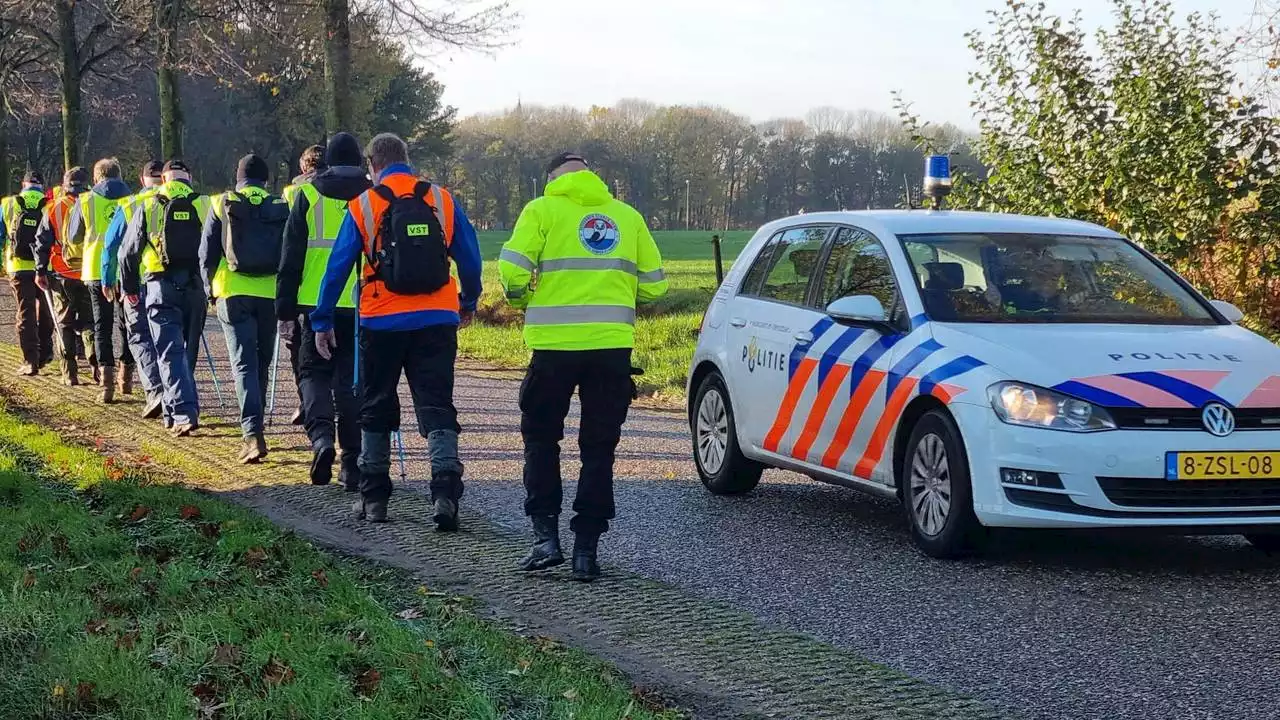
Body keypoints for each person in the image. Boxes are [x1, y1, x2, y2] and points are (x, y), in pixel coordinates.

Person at [499, 151, 668, 582]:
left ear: (553, 177)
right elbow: (655, 285)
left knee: (541, 440)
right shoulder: (626, 216)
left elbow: (512, 271)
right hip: (611, 350)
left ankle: (545, 540)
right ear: (593, 176)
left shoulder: (541, 210)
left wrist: (522, 300)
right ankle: (586, 553)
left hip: (553, 350)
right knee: (598, 449)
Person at [311, 132, 482, 527]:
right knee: (437, 403)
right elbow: (470, 261)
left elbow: (336, 270)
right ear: (407, 159)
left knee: (375, 405)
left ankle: (374, 500)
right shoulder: (442, 200)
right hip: (437, 319)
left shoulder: (363, 205)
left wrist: (322, 320)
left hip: (380, 320)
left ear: (372, 165)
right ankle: (444, 495)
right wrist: (467, 301)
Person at [278, 133, 368, 487]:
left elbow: (290, 258)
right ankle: (351, 463)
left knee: (312, 373)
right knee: (351, 382)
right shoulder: (373, 195)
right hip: (362, 305)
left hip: (314, 303)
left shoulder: (307, 195)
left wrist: (284, 310)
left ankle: (321, 439)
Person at [200, 154, 289, 463]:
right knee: (261, 363)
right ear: (266, 180)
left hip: (232, 291)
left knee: (243, 365)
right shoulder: (280, 205)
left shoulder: (220, 203)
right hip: (270, 294)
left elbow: (206, 253)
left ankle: (252, 434)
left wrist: (209, 289)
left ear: (238, 178)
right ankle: (257, 425)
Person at [120, 160, 210, 437]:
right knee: (188, 350)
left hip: (160, 285)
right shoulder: (206, 204)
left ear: (165, 179)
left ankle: (182, 411)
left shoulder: (148, 204)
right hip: (197, 286)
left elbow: (127, 252)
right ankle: (174, 410)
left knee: (169, 351)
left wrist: (130, 288)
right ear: (190, 177)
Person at [66, 157, 134, 403]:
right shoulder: (133, 200)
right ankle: (127, 377)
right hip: (127, 271)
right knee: (128, 324)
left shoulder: (85, 201)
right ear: (120, 175)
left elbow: (74, 237)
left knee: (101, 326)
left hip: (96, 269)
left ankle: (106, 386)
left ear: (96, 178)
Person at [104, 161, 167, 419]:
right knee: (169, 338)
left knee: (140, 337)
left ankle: (155, 391)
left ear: (142, 180)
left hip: (135, 282)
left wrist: (108, 280)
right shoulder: (178, 202)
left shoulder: (129, 205)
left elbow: (111, 247)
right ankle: (177, 393)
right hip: (168, 282)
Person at [34, 167, 95, 386]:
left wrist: (40, 271)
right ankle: (95, 362)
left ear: (65, 184)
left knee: (64, 323)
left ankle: (69, 373)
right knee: (90, 321)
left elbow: (42, 243)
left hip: (61, 274)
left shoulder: (53, 208)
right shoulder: (93, 205)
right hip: (89, 272)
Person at [280, 144, 326, 426]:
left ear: (302, 168)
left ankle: (306, 401)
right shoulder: (345, 191)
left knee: (298, 348)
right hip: (344, 286)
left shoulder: (291, 194)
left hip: (303, 286)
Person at [0, 170, 56, 375]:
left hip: (18, 266)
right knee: (47, 310)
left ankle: (30, 360)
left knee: (26, 312)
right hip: (45, 266)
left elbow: (1, 235)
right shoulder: (51, 204)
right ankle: (46, 352)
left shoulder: (8, 204)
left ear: (23, 184)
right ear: (42, 185)